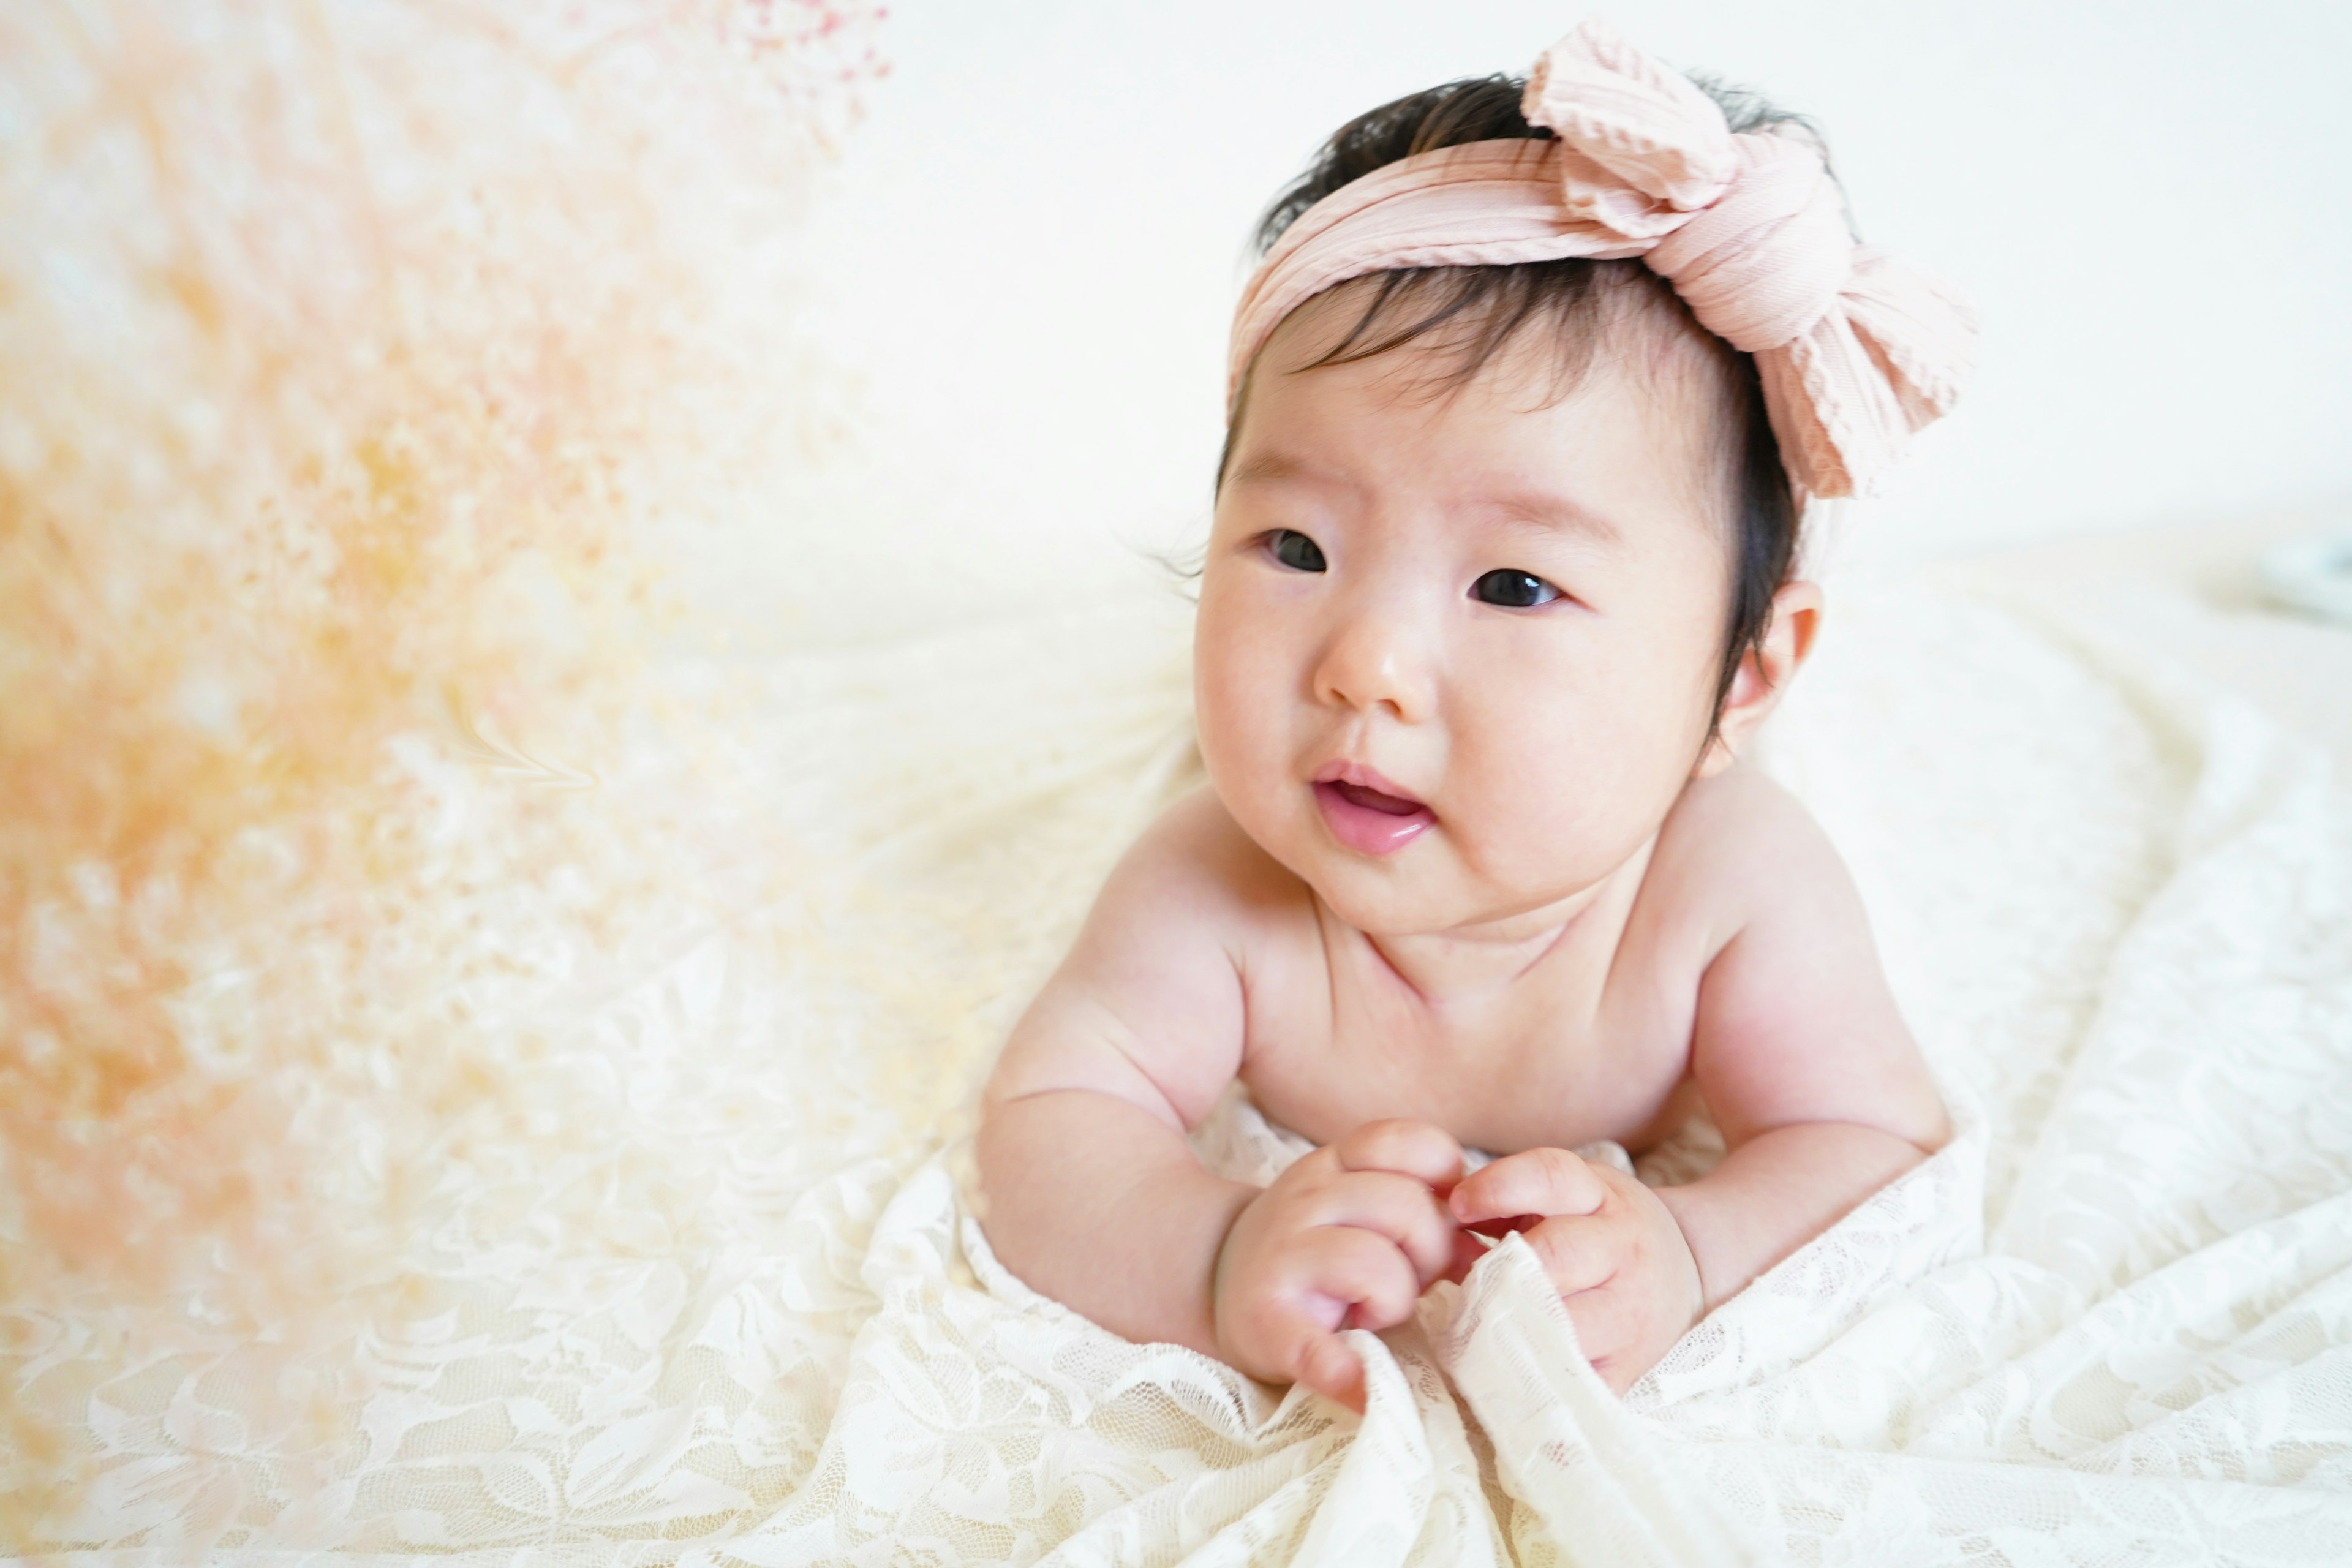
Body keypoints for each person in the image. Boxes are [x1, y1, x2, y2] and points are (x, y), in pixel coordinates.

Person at [975, 19, 1974, 1410]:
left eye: (1514, 583)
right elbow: (1050, 1124)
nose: (1364, 663)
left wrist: (1688, 1244)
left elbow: (1873, 1140)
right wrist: (1212, 1250)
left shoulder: (1734, 891)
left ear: (1741, 678)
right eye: (1295, 549)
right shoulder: (1217, 881)